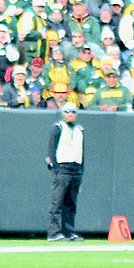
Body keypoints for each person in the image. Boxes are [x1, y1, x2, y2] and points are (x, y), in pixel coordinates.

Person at [46, 102, 85, 241]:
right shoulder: (58, 128)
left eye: (73, 112)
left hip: (76, 169)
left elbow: (82, 152)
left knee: (71, 204)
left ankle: (69, 231)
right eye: (67, 111)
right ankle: (54, 233)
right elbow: (51, 149)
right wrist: (55, 168)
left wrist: (81, 170)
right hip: (62, 168)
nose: (70, 114)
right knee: (57, 202)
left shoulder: (80, 129)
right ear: (63, 113)